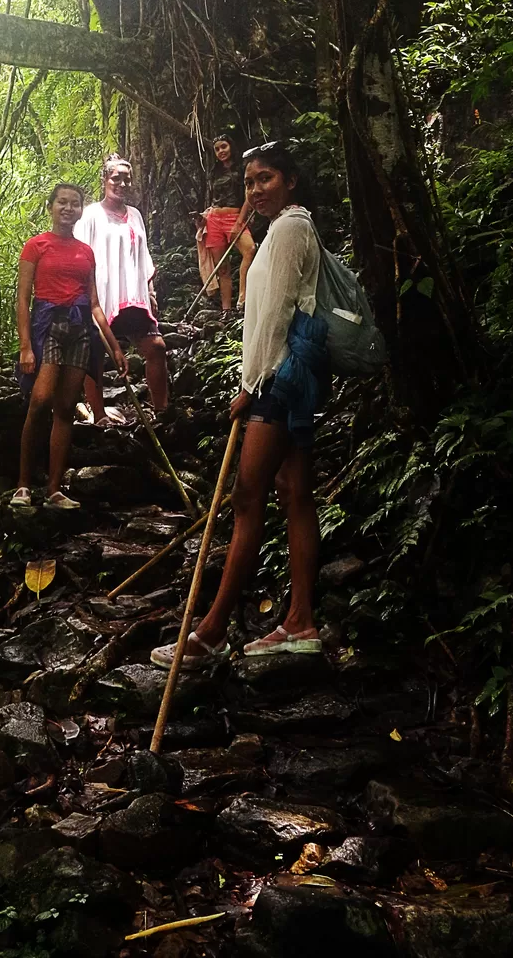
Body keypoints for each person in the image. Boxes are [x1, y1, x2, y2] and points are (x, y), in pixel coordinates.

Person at [151, 141, 328, 669]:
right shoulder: (283, 229)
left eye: (265, 178)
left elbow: (274, 316)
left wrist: (250, 385)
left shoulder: (292, 228)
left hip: (279, 381)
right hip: (288, 378)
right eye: (249, 182)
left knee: (248, 498)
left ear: (291, 181)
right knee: (295, 493)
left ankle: (210, 633)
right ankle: (300, 621)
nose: (255, 189)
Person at [12, 182, 127, 509]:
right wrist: (25, 346)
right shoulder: (36, 246)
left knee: (65, 408)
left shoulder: (84, 251)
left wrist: (114, 347)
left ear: (80, 209)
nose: (68, 208)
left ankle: (54, 489)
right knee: (41, 400)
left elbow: (94, 304)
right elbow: (22, 299)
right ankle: (22, 484)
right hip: (49, 325)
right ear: (51, 207)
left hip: (79, 329)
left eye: (74, 203)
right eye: (62, 202)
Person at [75, 154, 170, 424]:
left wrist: (150, 291)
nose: (122, 183)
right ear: (105, 179)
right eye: (116, 177)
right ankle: (99, 414)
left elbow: (144, 255)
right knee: (95, 354)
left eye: (127, 178)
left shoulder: (136, 215)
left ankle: (162, 411)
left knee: (157, 348)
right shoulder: (91, 214)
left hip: (134, 296)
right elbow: (82, 254)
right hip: (102, 297)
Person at [201, 133, 255, 312]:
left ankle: (243, 297)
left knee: (250, 250)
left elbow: (249, 195)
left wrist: (240, 221)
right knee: (222, 268)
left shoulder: (243, 168)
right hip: (214, 219)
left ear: (231, 146)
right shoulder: (214, 172)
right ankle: (226, 311)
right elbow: (212, 198)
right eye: (217, 149)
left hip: (235, 216)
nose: (220, 151)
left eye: (223, 147)